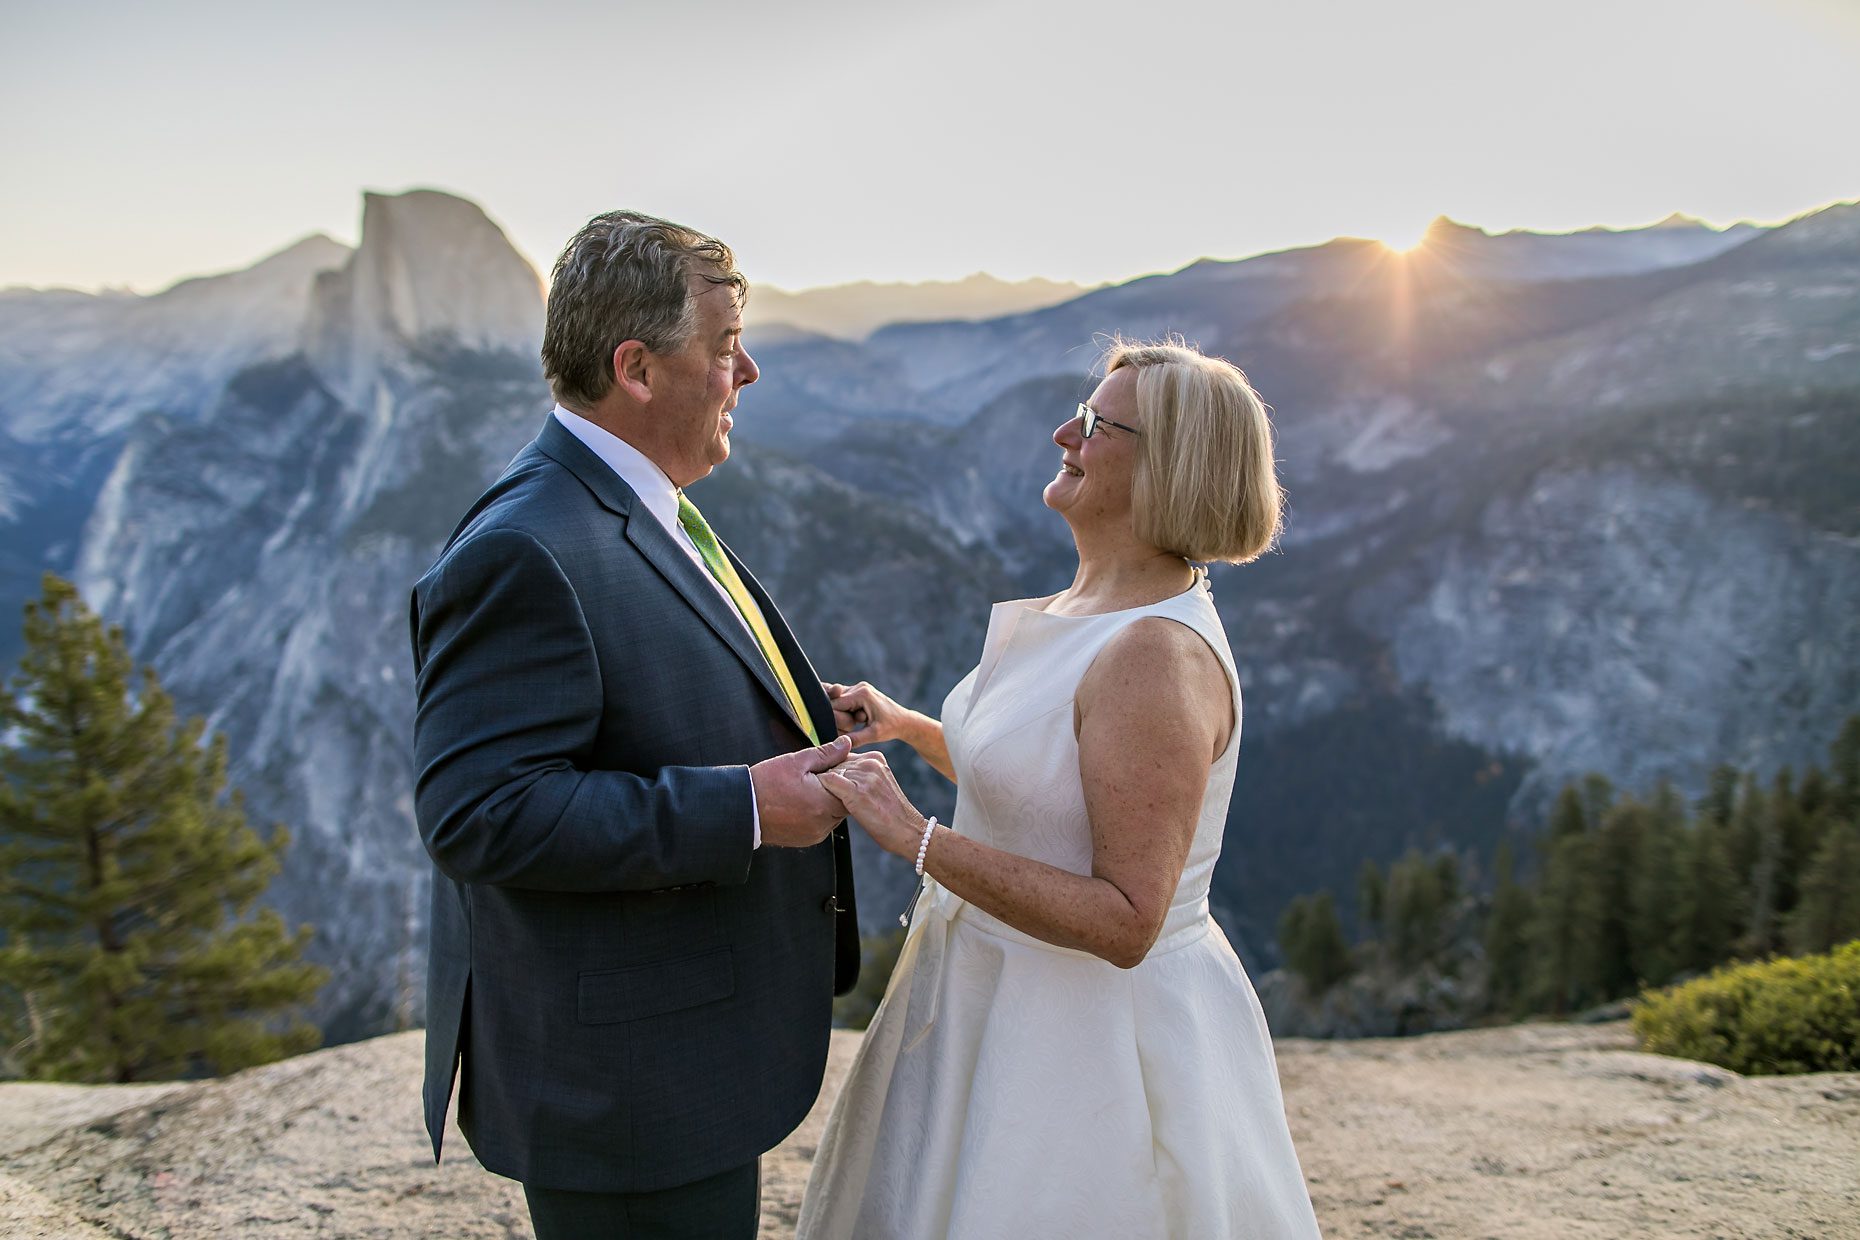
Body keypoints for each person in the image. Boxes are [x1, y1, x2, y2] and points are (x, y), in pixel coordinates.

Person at [796, 340, 1324, 1238]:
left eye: (1096, 425)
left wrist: (914, 834)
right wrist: (908, 726)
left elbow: (1126, 920)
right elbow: (1047, 794)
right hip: (988, 990)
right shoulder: (1090, 604)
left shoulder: (1154, 654)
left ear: (1172, 467)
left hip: (1081, 1041)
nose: (1062, 434)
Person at [409, 210, 858, 1240]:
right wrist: (747, 806)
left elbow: (625, 695)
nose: (748, 373)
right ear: (637, 369)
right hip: (625, 1095)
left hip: (675, 1067)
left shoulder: (628, 498)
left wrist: (780, 713)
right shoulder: (525, 546)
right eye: (726, 346)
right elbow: (481, 813)